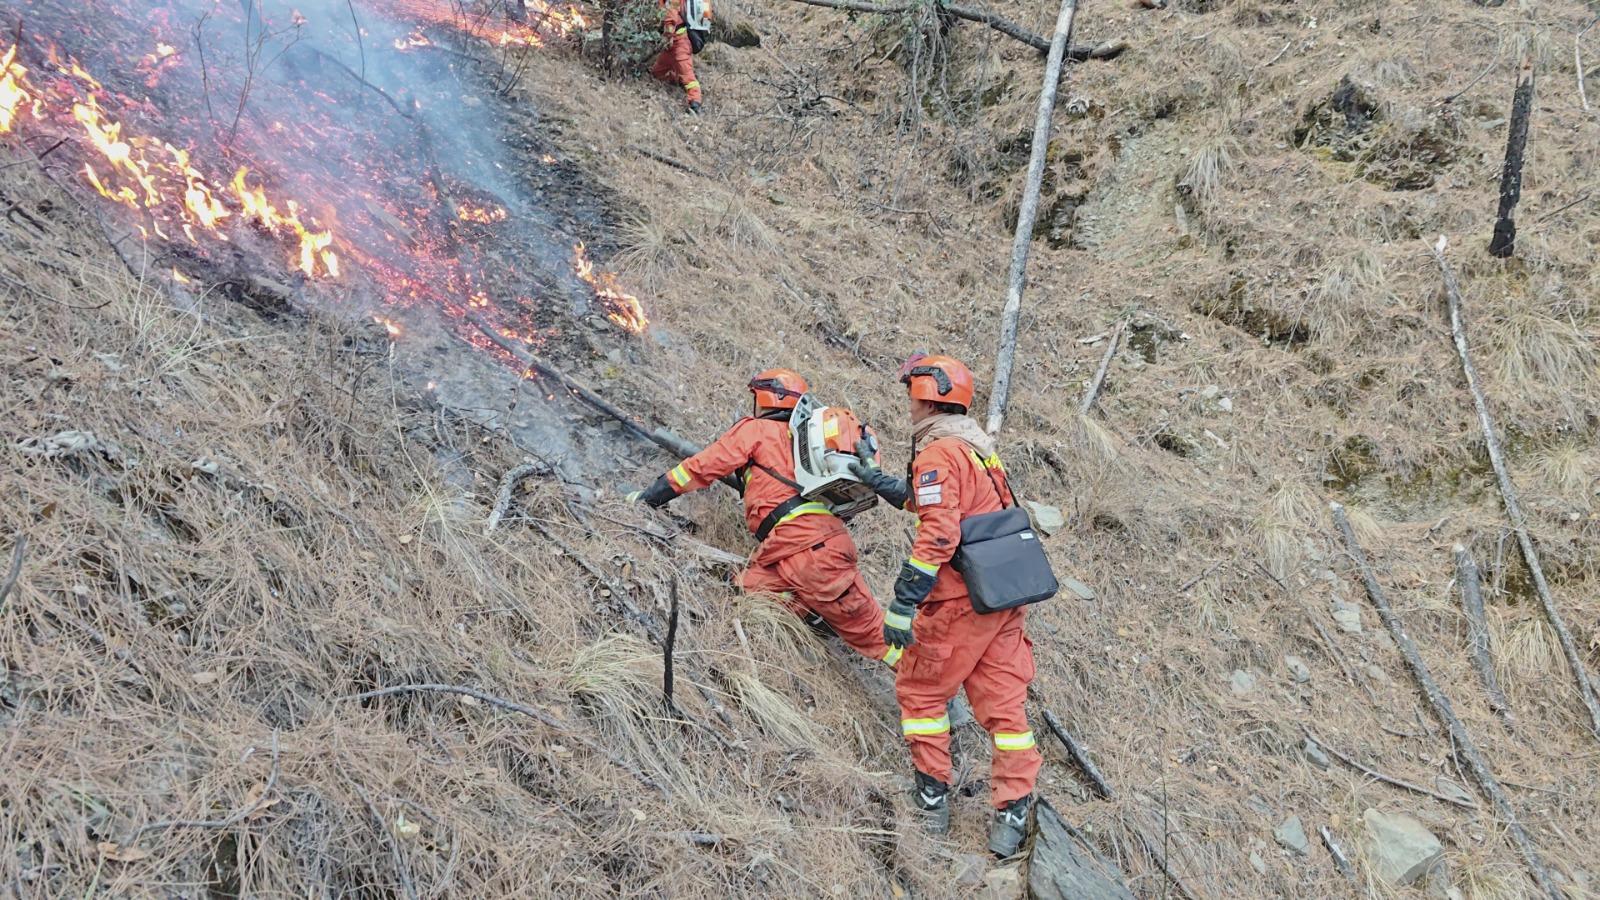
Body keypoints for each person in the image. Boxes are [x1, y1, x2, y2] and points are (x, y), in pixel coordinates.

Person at [850, 354, 1041, 857]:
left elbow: (939, 529)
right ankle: (1013, 812)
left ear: (925, 396)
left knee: (919, 689)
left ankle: (931, 799)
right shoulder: (977, 448)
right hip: (1002, 597)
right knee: (1003, 706)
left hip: (961, 603)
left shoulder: (938, 452)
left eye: (911, 393)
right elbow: (935, 501)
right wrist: (876, 479)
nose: (908, 402)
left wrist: (902, 601)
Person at [628, 369, 900, 667]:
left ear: (768, 398)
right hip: (799, 548)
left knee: (880, 638)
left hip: (808, 550)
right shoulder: (803, 445)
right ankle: (816, 611)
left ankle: (937, 688)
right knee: (745, 589)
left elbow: (698, 468)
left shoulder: (755, 430)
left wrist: (647, 499)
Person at [650, 0, 711, 113]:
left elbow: (671, 17)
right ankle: (679, 81)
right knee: (657, 72)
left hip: (679, 43)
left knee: (688, 76)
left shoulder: (672, 3)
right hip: (671, 45)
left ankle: (695, 103)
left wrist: (668, 34)